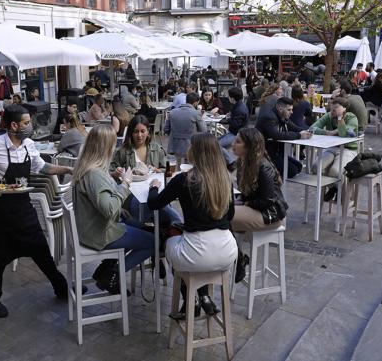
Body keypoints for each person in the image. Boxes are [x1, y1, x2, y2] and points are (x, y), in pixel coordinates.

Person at [0, 105, 73, 318]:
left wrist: (67, 169)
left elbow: (42, 167)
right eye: (26, 123)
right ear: (13, 125)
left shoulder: (29, 145)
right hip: (1, 214)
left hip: (24, 210)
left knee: (41, 251)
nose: (30, 126)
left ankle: (62, 289)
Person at [148, 133, 238, 319]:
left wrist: (154, 186)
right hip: (226, 252)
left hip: (196, 252)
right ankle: (203, 296)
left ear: (196, 152)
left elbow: (154, 204)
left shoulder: (184, 179)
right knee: (186, 245)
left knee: (172, 237)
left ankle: (190, 300)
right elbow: (230, 216)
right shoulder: (225, 179)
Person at [73, 125, 154, 294]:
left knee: (138, 226)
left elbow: (103, 202)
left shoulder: (87, 167)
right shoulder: (94, 174)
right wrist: (125, 183)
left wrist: (114, 178)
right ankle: (112, 275)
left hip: (91, 229)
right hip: (100, 235)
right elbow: (109, 209)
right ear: (105, 146)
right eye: (112, 143)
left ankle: (105, 268)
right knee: (153, 241)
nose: (114, 147)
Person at [110, 115, 182, 227]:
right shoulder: (123, 151)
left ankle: (173, 226)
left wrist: (158, 170)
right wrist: (116, 173)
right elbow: (110, 173)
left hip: (153, 191)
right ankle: (179, 224)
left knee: (159, 205)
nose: (139, 135)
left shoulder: (156, 149)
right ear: (130, 133)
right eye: (135, 132)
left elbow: (165, 171)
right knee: (159, 205)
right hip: (131, 196)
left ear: (148, 132)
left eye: (143, 131)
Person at [231, 128, 287, 232]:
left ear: (249, 147)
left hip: (270, 214)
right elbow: (246, 193)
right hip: (256, 209)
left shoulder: (263, 167)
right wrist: (238, 200)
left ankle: (234, 248)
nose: (233, 144)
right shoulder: (242, 163)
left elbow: (267, 200)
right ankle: (233, 247)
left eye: (238, 142)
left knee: (224, 216)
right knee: (221, 210)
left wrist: (245, 203)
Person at [310, 98, 359, 201]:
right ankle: (333, 188)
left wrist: (340, 118)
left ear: (344, 109)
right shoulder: (328, 116)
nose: (332, 110)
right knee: (316, 167)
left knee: (335, 171)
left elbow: (343, 134)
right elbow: (312, 128)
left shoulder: (351, 118)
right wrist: (327, 133)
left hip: (348, 149)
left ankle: (340, 192)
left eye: (336, 108)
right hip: (332, 148)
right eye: (332, 107)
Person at [255, 97, 312, 178]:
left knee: (298, 166)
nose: (291, 112)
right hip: (264, 154)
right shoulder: (269, 117)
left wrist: (308, 131)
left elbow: (295, 128)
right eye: (289, 110)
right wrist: (299, 135)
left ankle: (271, 174)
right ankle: (266, 175)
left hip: (275, 153)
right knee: (293, 170)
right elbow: (277, 135)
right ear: (280, 108)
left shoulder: (281, 116)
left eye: (292, 109)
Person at [165, 92, 207, 165]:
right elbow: (204, 130)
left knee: (176, 167)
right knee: (189, 167)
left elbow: (166, 129)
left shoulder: (172, 112)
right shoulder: (196, 113)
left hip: (174, 145)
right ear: (195, 103)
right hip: (190, 146)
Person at [218, 87, 249, 160]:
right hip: (234, 132)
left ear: (232, 98)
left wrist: (228, 118)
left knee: (216, 145)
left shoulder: (239, 109)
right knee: (216, 141)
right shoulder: (239, 105)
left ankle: (230, 160)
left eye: (229, 96)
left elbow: (235, 124)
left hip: (236, 134)